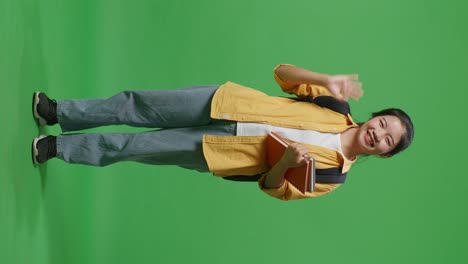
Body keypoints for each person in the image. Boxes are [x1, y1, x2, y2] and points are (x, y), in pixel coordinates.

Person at [31, 64, 414, 201]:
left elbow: (273, 187)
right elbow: (282, 74)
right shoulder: (336, 106)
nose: (379, 134)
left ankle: (57, 147)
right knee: (136, 104)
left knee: (133, 146)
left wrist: (284, 162)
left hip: (219, 152)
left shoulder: (332, 177)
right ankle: (60, 111)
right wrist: (324, 79)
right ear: (374, 116)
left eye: (387, 141)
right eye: (383, 124)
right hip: (225, 102)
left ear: (384, 153)